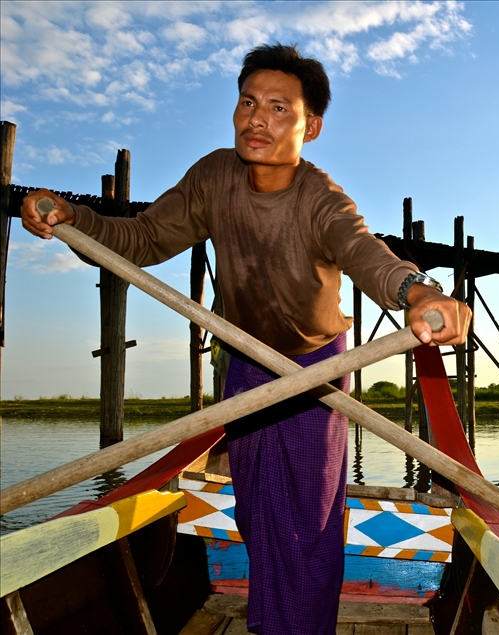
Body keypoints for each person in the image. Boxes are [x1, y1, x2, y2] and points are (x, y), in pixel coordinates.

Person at [21, 44, 471, 635]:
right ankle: (270, 621)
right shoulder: (213, 176)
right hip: (249, 363)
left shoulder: (321, 198)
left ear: (310, 126)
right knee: (258, 513)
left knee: (309, 523)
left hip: (316, 370)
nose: (257, 119)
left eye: (278, 108)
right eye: (248, 102)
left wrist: (417, 291)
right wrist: (74, 218)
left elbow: (366, 253)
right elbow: (145, 239)